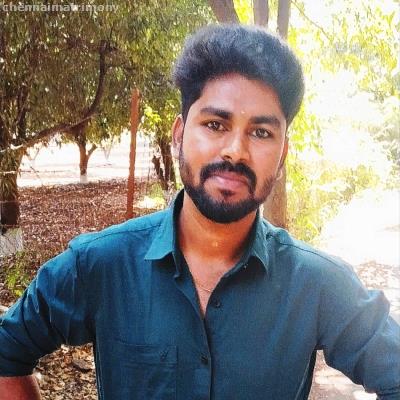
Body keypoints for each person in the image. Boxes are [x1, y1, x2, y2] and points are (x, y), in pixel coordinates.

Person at [0, 24, 399, 400]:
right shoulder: (99, 266)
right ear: (178, 136)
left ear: (282, 155)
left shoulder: (317, 284)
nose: (235, 151)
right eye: (215, 124)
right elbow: (7, 352)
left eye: (261, 132)